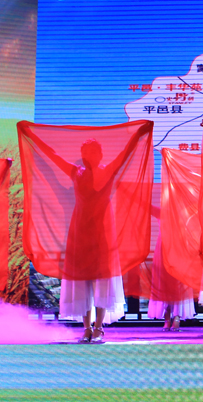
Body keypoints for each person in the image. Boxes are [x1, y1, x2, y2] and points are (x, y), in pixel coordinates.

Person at [19, 122, 152, 343]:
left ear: (101, 154)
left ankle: (99, 327)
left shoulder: (109, 170)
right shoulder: (75, 171)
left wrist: (138, 133)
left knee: (102, 280)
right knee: (82, 281)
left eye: (94, 151)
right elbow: (51, 155)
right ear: (83, 155)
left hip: (102, 233)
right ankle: (86, 328)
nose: (91, 155)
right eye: (87, 152)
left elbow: (126, 153)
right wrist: (31, 135)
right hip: (80, 233)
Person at [148, 205, 196, 332]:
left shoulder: (185, 209)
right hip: (163, 250)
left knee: (179, 283)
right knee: (165, 283)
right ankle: (167, 316)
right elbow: (145, 206)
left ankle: (177, 317)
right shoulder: (162, 211)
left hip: (180, 250)